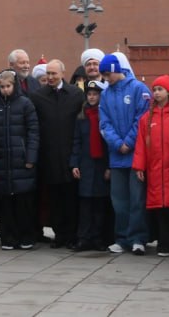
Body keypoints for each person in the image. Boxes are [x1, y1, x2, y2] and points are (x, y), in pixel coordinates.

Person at [98, 53, 151, 255]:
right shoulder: (106, 94)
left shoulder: (138, 89)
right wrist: (117, 143)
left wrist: (128, 142)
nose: (106, 79)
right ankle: (122, 238)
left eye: (107, 74)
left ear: (115, 70)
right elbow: (104, 123)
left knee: (137, 198)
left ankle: (138, 238)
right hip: (117, 156)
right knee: (119, 200)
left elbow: (142, 118)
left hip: (135, 155)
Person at [133, 75, 169, 258]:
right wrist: (139, 167)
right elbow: (141, 144)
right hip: (155, 169)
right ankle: (164, 244)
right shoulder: (146, 119)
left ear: (168, 91)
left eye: (160, 89)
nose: (156, 93)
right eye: (154, 90)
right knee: (161, 208)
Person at [29, 59, 83, 249]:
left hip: (70, 155)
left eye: (54, 73)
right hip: (49, 156)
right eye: (48, 74)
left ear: (62, 73)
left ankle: (72, 234)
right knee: (54, 199)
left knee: (71, 198)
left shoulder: (76, 95)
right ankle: (60, 235)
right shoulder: (38, 97)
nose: (50, 77)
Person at [0, 69, 39, 250]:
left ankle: (26, 237)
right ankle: (9, 238)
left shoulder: (25, 104)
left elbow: (33, 132)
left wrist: (31, 157)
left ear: (14, 86)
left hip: (22, 161)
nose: (5, 90)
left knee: (24, 203)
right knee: (6, 203)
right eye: (2, 87)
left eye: (8, 86)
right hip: (3, 162)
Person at [70, 79, 110, 251]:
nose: (92, 97)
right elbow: (76, 141)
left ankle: (97, 238)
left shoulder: (105, 116)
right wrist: (74, 163)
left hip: (101, 165)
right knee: (85, 204)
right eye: (90, 94)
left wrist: (109, 166)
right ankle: (83, 238)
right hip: (85, 165)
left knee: (99, 204)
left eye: (95, 94)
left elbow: (108, 144)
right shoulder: (81, 116)